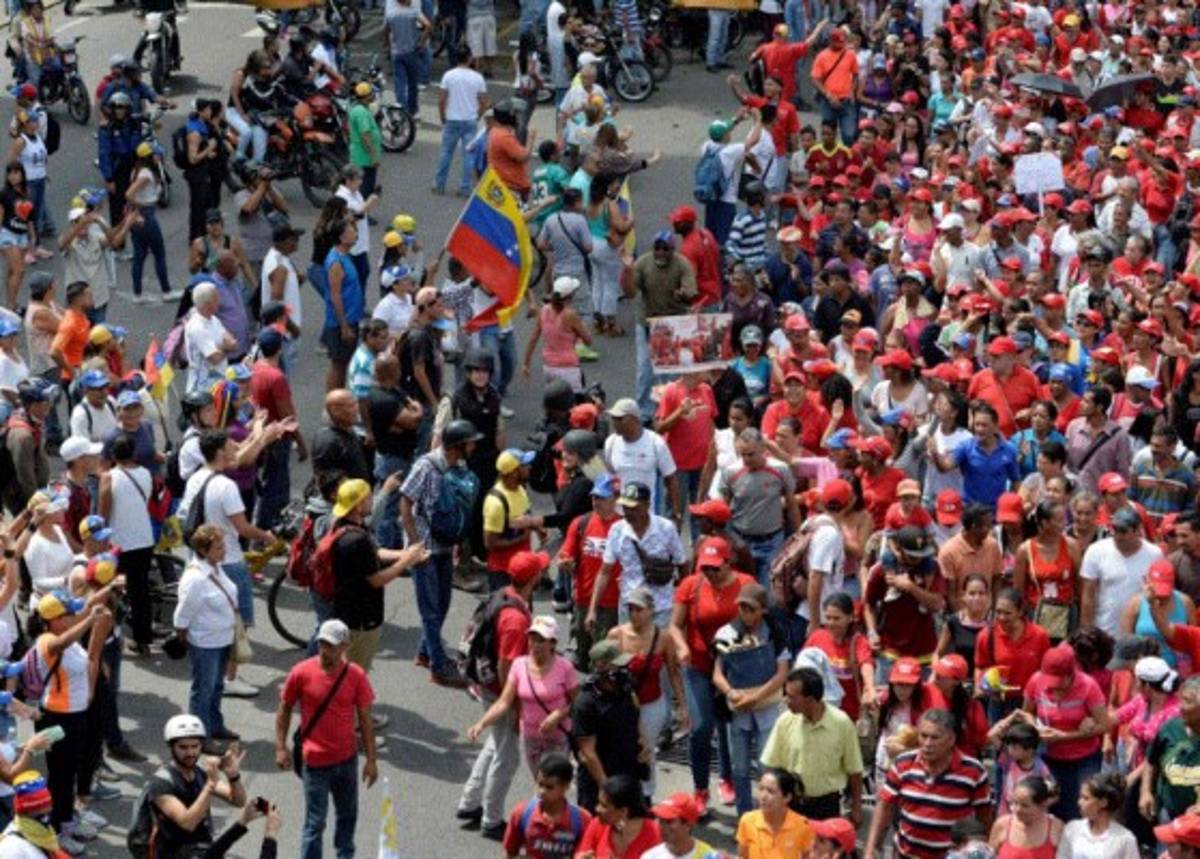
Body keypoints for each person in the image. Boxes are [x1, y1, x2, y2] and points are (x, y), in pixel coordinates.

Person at [457, 550, 546, 841]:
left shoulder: (503, 595)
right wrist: (514, 705)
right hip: (499, 692)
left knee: (496, 745)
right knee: (507, 758)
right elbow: (506, 666)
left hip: (489, 687)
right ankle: (492, 819)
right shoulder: (515, 620)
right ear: (533, 578)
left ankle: (470, 802)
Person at [275, 619, 377, 859]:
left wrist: (371, 760)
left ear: (345, 646)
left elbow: (365, 719)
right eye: (322, 643)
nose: (324, 650)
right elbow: (284, 708)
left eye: (331, 645)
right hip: (315, 764)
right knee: (315, 823)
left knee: (347, 816)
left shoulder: (356, 675)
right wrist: (280, 747)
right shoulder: (301, 672)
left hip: (347, 760)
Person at [27, 590, 112, 850]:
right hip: (57, 718)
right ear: (53, 619)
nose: (74, 616)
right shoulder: (46, 641)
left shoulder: (68, 636)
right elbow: (61, 643)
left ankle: (69, 819)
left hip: (75, 715)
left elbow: (84, 625)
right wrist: (89, 620)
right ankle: (58, 830)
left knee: (71, 771)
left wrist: (97, 610)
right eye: (68, 613)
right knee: (60, 777)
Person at [401, 419, 481, 686]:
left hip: (445, 546)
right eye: (470, 442)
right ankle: (438, 666)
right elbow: (406, 502)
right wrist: (415, 544)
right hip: (425, 549)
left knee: (443, 602)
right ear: (458, 445)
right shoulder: (426, 466)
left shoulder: (458, 467)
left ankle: (425, 653)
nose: (474, 447)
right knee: (430, 610)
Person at [325, 479, 428, 673]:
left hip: (344, 612)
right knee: (354, 676)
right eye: (368, 498)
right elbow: (376, 580)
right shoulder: (356, 540)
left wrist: (405, 554)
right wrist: (406, 562)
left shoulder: (344, 525)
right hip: (360, 621)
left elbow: (375, 552)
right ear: (358, 505)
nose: (372, 500)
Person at [863, 709, 991, 859]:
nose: (927, 744)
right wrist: (871, 849)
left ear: (951, 739)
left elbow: (984, 819)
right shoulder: (903, 764)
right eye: (923, 736)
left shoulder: (974, 772)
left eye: (935, 737)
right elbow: (884, 807)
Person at [713, 583, 791, 816]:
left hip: (767, 709)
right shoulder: (726, 634)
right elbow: (717, 674)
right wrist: (730, 693)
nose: (745, 613)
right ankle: (745, 816)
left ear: (763, 610)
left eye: (751, 609)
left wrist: (755, 697)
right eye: (742, 608)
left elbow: (782, 673)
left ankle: (768, 815)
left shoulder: (775, 631)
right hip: (738, 710)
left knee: (767, 766)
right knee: (739, 768)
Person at [467, 615, 578, 777]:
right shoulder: (519, 665)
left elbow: (578, 703)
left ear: (553, 643)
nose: (535, 644)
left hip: (558, 739)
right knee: (540, 783)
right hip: (531, 739)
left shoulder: (565, 668)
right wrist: (481, 724)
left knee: (550, 781)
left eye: (541, 640)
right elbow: (504, 702)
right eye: (532, 638)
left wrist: (559, 715)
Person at [759, 666, 864, 822]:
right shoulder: (785, 722)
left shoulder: (841, 723)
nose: (786, 701)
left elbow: (855, 770)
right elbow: (770, 765)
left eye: (791, 697)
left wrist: (857, 808)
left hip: (827, 807)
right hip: (792, 805)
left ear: (810, 700)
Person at [1022, 643, 1110, 819]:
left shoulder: (1088, 686)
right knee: (1049, 806)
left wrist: (1066, 737)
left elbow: (1104, 725)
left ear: (1071, 675)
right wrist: (1036, 729)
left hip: (1083, 760)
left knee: (1083, 809)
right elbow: (1026, 713)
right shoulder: (1036, 681)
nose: (1053, 687)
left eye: (1058, 682)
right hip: (1048, 757)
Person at [173, 523, 242, 749]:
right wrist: (183, 637)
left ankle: (214, 725)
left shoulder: (215, 568)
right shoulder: (196, 579)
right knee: (203, 690)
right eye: (218, 547)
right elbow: (182, 615)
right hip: (205, 643)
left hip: (222, 639)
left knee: (216, 687)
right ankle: (200, 736)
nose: (224, 550)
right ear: (204, 550)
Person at [142, 714, 247, 858]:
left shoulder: (200, 773)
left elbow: (238, 801)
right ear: (171, 747)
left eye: (195, 746)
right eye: (183, 747)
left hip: (202, 849)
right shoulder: (161, 783)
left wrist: (233, 776)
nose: (190, 753)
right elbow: (188, 823)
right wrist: (210, 786)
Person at [571, 640, 645, 814]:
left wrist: (643, 743)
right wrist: (606, 788)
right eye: (617, 665)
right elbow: (588, 753)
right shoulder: (586, 702)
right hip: (599, 782)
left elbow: (635, 716)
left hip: (628, 774)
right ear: (601, 667)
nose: (623, 669)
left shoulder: (625, 689)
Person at [500, 752, 592, 859]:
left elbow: (586, 853)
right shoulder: (521, 813)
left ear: (566, 786)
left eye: (549, 787)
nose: (542, 791)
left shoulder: (582, 820)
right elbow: (509, 852)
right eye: (540, 784)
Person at [435, 48, 487, 197]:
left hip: (452, 118)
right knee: (468, 155)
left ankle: (439, 184)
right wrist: (477, 116)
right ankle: (465, 187)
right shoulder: (477, 78)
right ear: (469, 58)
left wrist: (443, 116)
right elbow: (484, 102)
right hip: (470, 119)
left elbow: (441, 100)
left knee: (446, 152)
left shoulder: (448, 75)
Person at [575, 775, 662, 858]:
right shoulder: (598, 824)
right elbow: (581, 854)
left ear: (623, 811)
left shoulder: (656, 835)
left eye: (604, 806)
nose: (597, 809)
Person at [735, 768, 814, 859]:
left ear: (787, 797)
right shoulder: (747, 821)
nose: (763, 796)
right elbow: (743, 856)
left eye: (771, 791)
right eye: (761, 789)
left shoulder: (803, 826)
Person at [988, 776, 1062, 858]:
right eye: (1015, 803)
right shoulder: (1002, 825)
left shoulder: (1056, 828)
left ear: (1043, 805)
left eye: (1025, 805)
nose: (1017, 809)